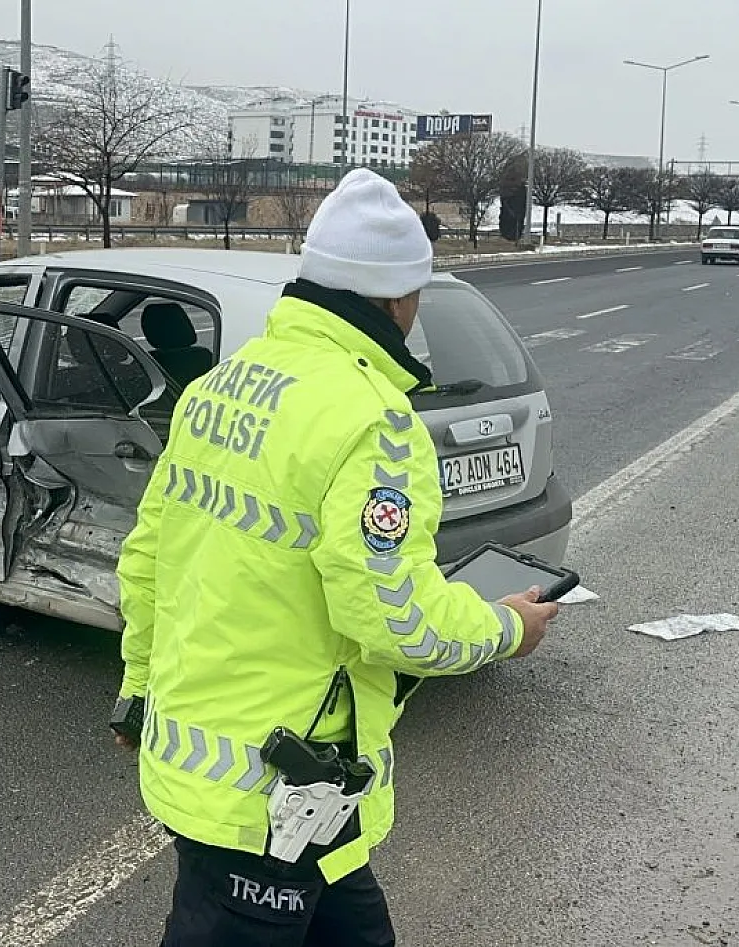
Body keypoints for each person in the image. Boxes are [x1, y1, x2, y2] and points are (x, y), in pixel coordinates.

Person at [112, 168, 560, 946]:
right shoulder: (374, 421)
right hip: (270, 795)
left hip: (264, 782)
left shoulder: (220, 387)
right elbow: (392, 615)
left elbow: (147, 560)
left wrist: (140, 691)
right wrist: (503, 627)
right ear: (397, 301)